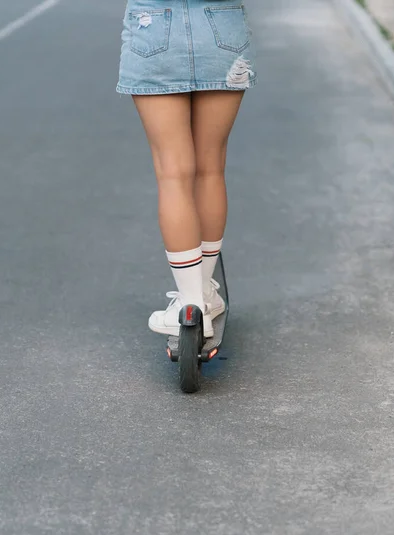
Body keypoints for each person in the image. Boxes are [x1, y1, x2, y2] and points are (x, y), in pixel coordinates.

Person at [117, 0, 256, 339]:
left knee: (174, 174)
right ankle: (204, 297)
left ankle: (190, 305)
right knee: (210, 169)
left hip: (153, 30)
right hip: (222, 30)